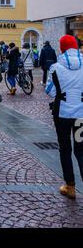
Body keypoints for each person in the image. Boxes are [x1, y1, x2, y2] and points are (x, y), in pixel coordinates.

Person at [45, 35, 83, 200]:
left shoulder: (56, 67)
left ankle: (70, 186)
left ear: (62, 48)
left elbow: (49, 90)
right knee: (81, 150)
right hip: (81, 114)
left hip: (62, 114)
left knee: (65, 149)